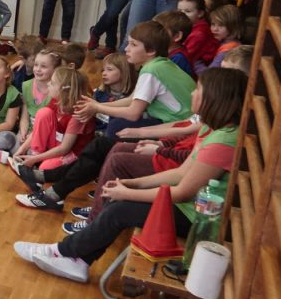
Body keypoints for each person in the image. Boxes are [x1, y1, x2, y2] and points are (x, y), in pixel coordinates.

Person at [12, 67, 247, 284]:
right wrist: (133, 184)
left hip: (196, 219)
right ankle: (77, 259)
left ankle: (63, 252)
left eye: (199, 90)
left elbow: (181, 192)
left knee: (119, 210)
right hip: (187, 207)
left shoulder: (223, 141)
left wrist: (128, 192)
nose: (193, 93)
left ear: (214, 98)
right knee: (119, 200)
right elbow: (180, 173)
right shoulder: (212, 128)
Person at [13, 20, 196, 211]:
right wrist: (97, 106)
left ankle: (61, 190)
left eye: (133, 44)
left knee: (107, 142)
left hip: (180, 137)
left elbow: (133, 112)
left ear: (150, 51)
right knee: (102, 144)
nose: (127, 49)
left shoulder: (152, 69)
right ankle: (53, 186)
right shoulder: (158, 66)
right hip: (177, 130)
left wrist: (97, 108)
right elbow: (132, 100)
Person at [8, 68, 94, 190]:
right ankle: (35, 156)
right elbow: (37, 130)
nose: (48, 84)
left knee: (45, 169)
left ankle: (36, 163)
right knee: (43, 113)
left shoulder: (78, 114)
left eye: (52, 83)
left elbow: (65, 149)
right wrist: (21, 150)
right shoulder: (56, 100)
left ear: (64, 90)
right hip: (58, 143)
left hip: (71, 153)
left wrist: (34, 159)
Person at [179, 0, 217, 68]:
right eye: (179, 11)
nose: (182, 14)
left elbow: (185, 57)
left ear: (200, 13)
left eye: (188, 11)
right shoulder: (188, 26)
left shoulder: (199, 34)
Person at [154, 10, 195, 77]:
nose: (153, 33)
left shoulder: (179, 58)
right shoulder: (164, 51)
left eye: (161, 30)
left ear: (177, 36)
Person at [204, 4, 245, 70]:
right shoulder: (222, 41)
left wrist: (196, 62)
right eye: (213, 24)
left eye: (221, 25)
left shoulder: (228, 50)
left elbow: (209, 73)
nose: (215, 29)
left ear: (233, 27)